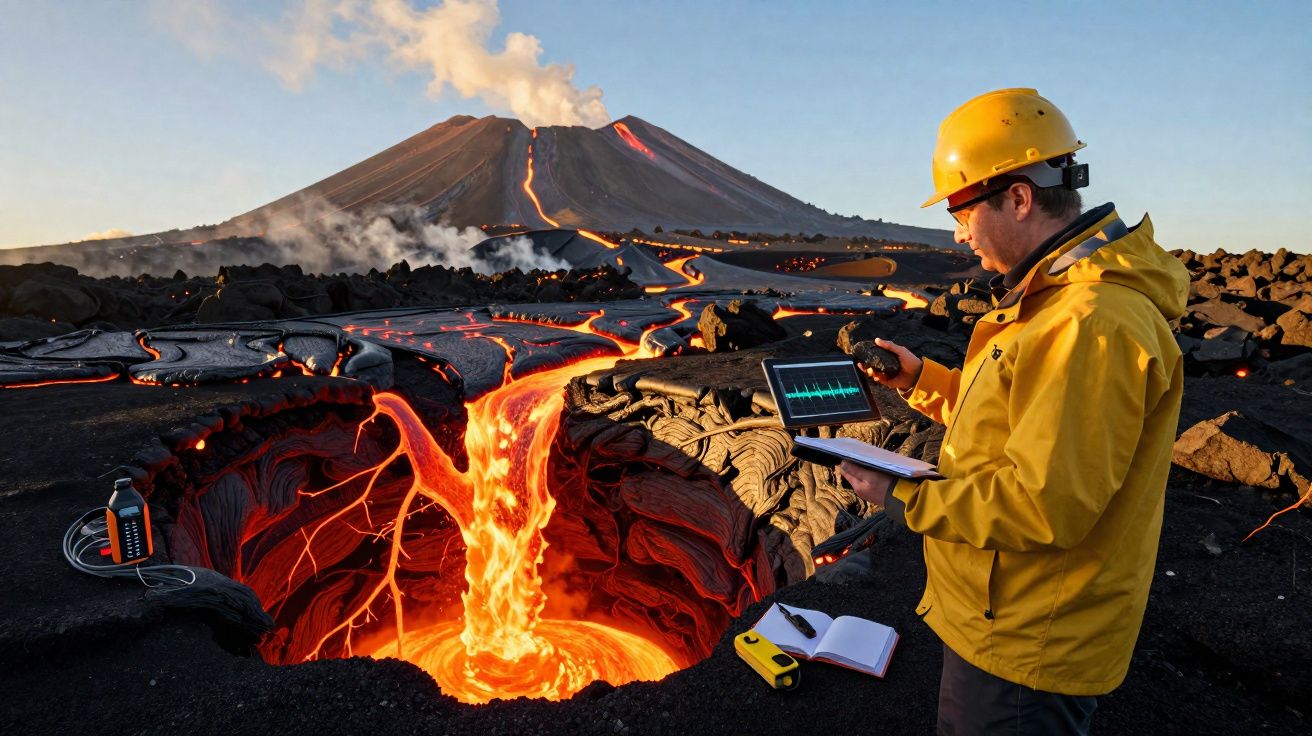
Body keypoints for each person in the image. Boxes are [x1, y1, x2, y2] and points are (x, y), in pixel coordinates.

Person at [839, 88, 1190, 735]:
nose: (957, 231)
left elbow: (1041, 503)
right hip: (1001, 615)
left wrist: (900, 494)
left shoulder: (1089, 323)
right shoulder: (1051, 304)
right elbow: (1013, 419)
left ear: (1020, 197)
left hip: (1029, 645)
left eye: (960, 209)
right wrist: (921, 380)